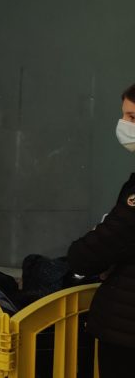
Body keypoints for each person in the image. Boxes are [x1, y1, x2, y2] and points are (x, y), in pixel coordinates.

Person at [67, 83, 135, 378]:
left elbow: (89, 255)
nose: (124, 125)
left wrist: (89, 250)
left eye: (132, 117)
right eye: (124, 116)